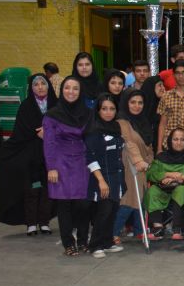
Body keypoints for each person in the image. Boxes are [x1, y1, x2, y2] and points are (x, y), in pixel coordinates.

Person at [0, 73, 57, 234]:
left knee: (48, 190)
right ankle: (31, 223)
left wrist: (48, 132)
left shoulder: (55, 104)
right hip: (31, 156)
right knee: (32, 190)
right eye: (36, 85)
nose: (40, 87)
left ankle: (44, 222)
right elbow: (20, 130)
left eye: (43, 84)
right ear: (31, 88)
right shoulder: (25, 106)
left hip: (51, 156)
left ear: (48, 86)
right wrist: (36, 133)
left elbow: (63, 125)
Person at [43, 76, 92, 256]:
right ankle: (68, 244)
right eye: (67, 88)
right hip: (60, 162)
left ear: (80, 92)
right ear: (61, 90)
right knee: (64, 205)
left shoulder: (88, 113)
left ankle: (83, 240)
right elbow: (49, 143)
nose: (71, 92)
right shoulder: (52, 115)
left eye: (75, 88)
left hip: (82, 162)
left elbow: (92, 137)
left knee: (83, 204)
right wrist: (51, 167)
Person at [84, 94, 126, 259]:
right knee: (104, 211)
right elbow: (90, 157)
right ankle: (95, 245)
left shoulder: (116, 127)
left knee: (113, 210)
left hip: (117, 176)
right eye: (104, 109)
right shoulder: (93, 130)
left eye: (112, 109)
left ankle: (107, 242)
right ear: (98, 110)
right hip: (102, 177)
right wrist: (101, 180)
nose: (108, 112)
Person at [114, 89, 154, 244]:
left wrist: (149, 161)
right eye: (133, 102)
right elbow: (128, 142)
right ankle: (113, 232)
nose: (137, 106)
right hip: (130, 165)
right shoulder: (122, 121)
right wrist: (139, 161)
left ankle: (139, 230)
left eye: (140, 103)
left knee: (140, 197)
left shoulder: (143, 121)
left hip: (143, 165)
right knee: (130, 199)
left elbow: (148, 145)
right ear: (126, 103)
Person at [145, 128, 184, 240]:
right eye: (175, 139)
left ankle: (177, 229)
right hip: (164, 188)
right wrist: (166, 175)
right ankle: (157, 228)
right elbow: (150, 174)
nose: (179, 142)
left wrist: (182, 177)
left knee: (181, 191)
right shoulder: (161, 157)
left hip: (182, 188)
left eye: (182, 139)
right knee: (152, 191)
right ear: (170, 141)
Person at [141, 75, 166, 147]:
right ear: (151, 88)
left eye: (163, 85)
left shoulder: (166, 105)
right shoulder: (140, 108)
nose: (163, 88)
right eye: (160, 85)